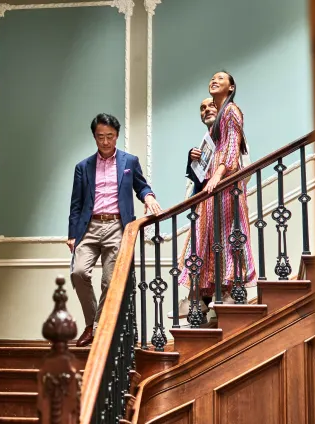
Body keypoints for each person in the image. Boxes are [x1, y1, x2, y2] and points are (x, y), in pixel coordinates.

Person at [68, 113, 162, 347]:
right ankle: (93, 323)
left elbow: (142, 186)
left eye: (110, 136)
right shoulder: (83, 167)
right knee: (78, 273)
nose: (106, 141)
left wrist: (148, 197)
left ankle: (96, 328)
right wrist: (72, 234)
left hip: (117, 227)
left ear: (117, 136)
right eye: (101, 137)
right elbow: (76, 204)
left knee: (110, 282)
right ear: (94, 137)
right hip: (89, 227)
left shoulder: (129, 162)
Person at [178, 72, 257, 312]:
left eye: (220, 78)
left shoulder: (232, 111)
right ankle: (204, 296)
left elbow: (233, 148)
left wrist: (218, 175)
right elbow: (199, 173)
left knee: (228, 236)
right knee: (209, 241)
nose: (214, 80)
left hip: (226, 186)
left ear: (231, 86)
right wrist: (197, 163)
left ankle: (231, 289)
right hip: (213, 189)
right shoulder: (212, 133)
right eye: (211, 78)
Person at [185, 98, 218, 199]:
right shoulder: (204, 144)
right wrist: (192, 158)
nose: (207, 110)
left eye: (211, 105)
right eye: (203, 108)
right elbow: (198, 183)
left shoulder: (232, 135)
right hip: (207, 200)